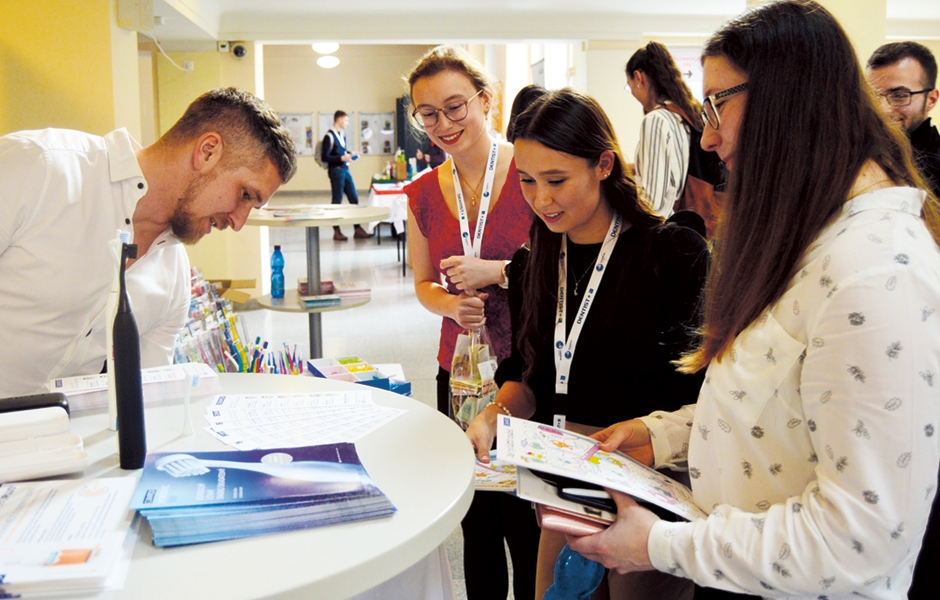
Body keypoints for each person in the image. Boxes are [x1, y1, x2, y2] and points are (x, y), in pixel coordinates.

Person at [565, 3, 940, 599]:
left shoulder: (871, 270)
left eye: (718, 104)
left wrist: (658, 545)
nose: (708, 137)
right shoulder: (816, 238)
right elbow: (782, 412)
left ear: (790, 102)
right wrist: (660, 435)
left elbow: (861, 539)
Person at [466, 87, 709, 600]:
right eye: (528, 182)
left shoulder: (671, 253)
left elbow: (706, 391)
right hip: (563, 481)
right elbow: (528, 375)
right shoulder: (534, 264)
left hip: (644, 487)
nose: (542, 200)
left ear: (603, 164)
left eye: (557, 181)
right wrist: (497, 413)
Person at [0, 87, 296, 398]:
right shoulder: (40, 167)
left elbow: (149, 403)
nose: (238, 222)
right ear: (207, 151)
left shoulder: (174, 278)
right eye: (245, 195)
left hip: (61, 436)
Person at [404, 45, 537, 600]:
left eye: (455, 107)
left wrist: (499, 273)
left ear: (486, 101)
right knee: (477, 511)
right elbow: (422, 282)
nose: (444, 124)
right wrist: (449, 304)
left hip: (528, 364)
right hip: (459, 367)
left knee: (527, 514)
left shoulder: (531, 174)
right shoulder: (421, 194)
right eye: (428, 114)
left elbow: (561, 269)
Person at [625, 42, 699, 217]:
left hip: (663, 231)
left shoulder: (655, 120)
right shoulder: (683, 115)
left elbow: (653, 202)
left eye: (629, 85)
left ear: (639, 78)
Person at [867, 42, 940, 198]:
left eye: (899, 96)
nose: (882, 109)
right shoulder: (862, 155)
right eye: (873, 96)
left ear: (931, 100)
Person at [322, 110, 370, 241]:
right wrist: (342, 157)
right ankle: (336, 231)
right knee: (337, 201)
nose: (347, 123)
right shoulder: (329, 136)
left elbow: (340, 151)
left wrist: (350, 153)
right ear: (339, 120)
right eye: (346, 120)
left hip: (345, 170)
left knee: (354, 199)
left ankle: (357, 229)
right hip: (336, 171)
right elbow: (325, 156)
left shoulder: (341, 134)